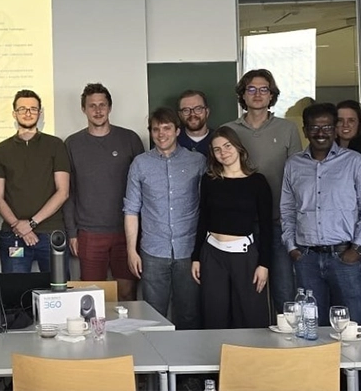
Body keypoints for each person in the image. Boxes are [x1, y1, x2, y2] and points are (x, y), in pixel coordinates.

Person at [225, 69, 301, 316]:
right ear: (242, 95)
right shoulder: (229, 131)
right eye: (251, 89)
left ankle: (288, 336)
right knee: (245, 292)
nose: (257, 94)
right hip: (240, 227)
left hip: (278, 223)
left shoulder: (287, 129)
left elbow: (298, 177)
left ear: (271, 95)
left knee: (284, 291)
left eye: (263, 89)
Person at [124, 107, 206, 329]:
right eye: (155, 129)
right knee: (153, 317)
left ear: (178, 131)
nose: (161, 134)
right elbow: (131, 209)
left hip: (189, 251)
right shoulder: (140, 163)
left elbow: (207, 208)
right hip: (153, 251)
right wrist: (131, 251)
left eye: (167, 128)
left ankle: (186, 352)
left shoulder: (197, 161)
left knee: (189, 315)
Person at [281, 103, 361, 324]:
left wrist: (357, 249)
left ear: (335, 130)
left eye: (326, 127)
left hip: (344, 257)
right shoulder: (293, 164)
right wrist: (292, 247)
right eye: (314, 127)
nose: (320, 133)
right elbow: (287, 208)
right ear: (305, 131)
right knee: (311, 326)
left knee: (353, 324)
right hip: (306, 258)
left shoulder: (354, 162)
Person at [64, 83, 143, 300]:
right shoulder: (72, 144)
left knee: (127, 293)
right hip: (89, 233)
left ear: (110, 107)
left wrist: (140, 233)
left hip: (126, 232)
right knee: (91, 297)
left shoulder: (130, 139)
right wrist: (72, 233)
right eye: (92, 106)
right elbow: (68, 192)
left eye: (102, 105)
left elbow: (144, 188)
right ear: (84, 109)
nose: (98, 110)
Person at [192, 126, 272, 329]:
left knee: (250, 316)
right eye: (217, 149)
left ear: (238, 147)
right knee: (214, 315)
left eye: (227, 146)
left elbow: (266, 226)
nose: (223, 152)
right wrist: (196, 257)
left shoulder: (258, 182)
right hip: (212, 254)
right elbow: (202, 218)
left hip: (244, 257)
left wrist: (264, 264)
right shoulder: (209, 180)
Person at [0, 90, 70, 274]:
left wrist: (31, 224)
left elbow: (63, 192)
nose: (28, 113)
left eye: (33, 109)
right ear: (14, 113)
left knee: (58, 289)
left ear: (39, 113)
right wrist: (19, 226)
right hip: (14, 235)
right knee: (15, 290)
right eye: (22, 109)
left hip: (51, 233)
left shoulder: (55, 145)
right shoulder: (2, 149)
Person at [176, 90, 214, 155]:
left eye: (198, 109)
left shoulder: (218, 139)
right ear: (180, 115)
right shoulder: (173, 140)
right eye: (186, 110)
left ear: (207, 112)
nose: (192, 114)